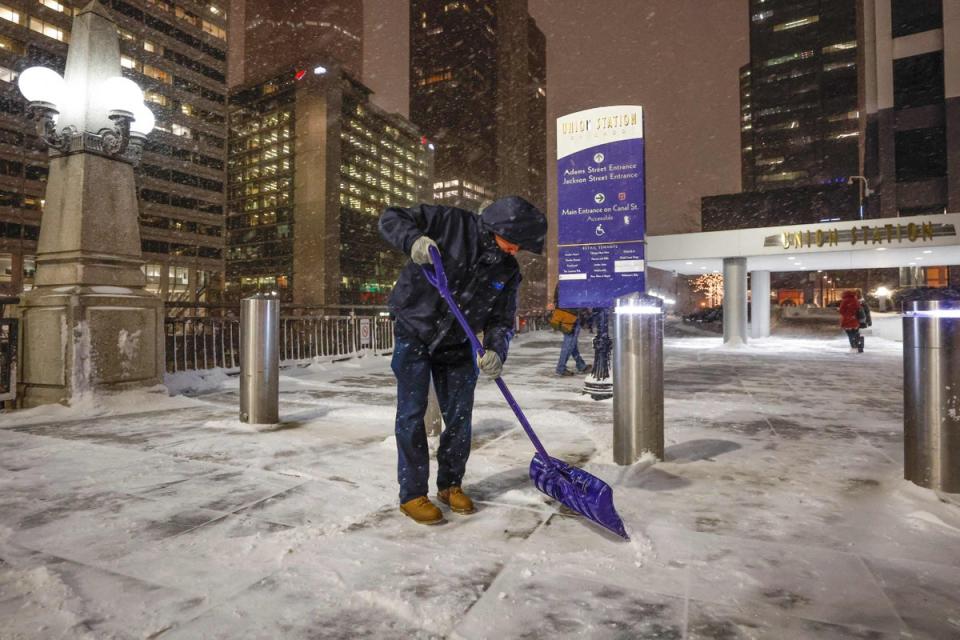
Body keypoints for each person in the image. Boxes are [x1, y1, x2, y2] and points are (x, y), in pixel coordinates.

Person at [379, 196, 547, 525]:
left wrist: (498, 349)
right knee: (411, 413)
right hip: (415, 328)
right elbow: (391, 217)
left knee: (459, 416)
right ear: (497, 228)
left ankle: (450, 485)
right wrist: (413, 240)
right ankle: (412, 493)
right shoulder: (448, 223)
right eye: (513, 242)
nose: (515, 250)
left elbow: (501, 319)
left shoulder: (507, 270)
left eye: (520, 246)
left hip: (458, 341)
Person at [552, 284, 592, 377]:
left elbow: (556, 299)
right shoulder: (574, 282)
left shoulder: (561, 282)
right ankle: (561, 368)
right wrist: (585, 312)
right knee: (569, 343)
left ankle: (581, 365)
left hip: (565, 316)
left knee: (572, 343)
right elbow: (578, 300)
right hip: (572, 317)